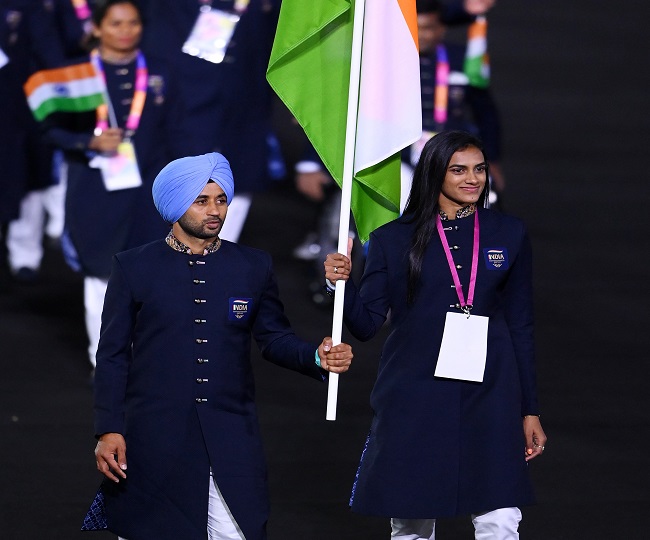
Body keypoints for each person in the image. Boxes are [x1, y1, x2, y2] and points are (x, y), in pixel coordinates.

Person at [82, 152, 354, 539]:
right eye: (202, 200)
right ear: (175, 205)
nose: (215, 210)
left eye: (222, 200)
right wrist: (108, 429)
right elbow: (111, 355)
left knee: (239, 530)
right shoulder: (134, 266)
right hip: (155, 434)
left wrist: (316, 356)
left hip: (231, 431)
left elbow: (274, 338)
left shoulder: (252, 266)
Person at [325, 131, 546, 539]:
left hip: (491, 389)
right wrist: (341, 284)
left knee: (500, 515)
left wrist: (529, 409)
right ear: (433, 174)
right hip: (415, 389)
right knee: (411, 517)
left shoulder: (509, 233)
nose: (473, 179)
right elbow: (367, 323)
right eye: (458, 169)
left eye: (479, 169)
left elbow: (521, 325)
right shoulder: (393, 239)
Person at [43, 0, 189, 368]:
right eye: (116, 23)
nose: (126, 30)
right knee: (99, 276)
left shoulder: (162, 71)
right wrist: (86, 142)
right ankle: (103, 362)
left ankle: (141, 360)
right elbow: (46, 128)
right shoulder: (73, 74)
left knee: (148, 277)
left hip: (149, 194)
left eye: (133, 22)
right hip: (94, 190)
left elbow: (178, 133)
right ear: (96, 28)